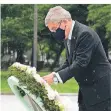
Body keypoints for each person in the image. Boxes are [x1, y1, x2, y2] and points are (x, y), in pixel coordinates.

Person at [43, 6, 111, 111]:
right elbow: (69, 62)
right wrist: (53, 74)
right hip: (86, 92)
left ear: (64, 22)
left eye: (54, 29)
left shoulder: (85, 34)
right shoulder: (68, 36)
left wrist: (56, 77)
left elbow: (80, 64)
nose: (54, 33)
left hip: (100, 92)